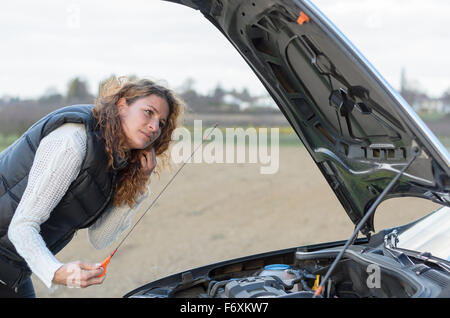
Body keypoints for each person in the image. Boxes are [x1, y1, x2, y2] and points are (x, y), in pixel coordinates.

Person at [0, 76, 184, 297]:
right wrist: (55, 271)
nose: (155, 127)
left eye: (161, 123)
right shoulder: (74, 141)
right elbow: (21, 226)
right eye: (148, 112)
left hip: (14, 269)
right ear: (122, 105)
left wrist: (139, 184)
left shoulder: (114, 161)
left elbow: (100, 238)